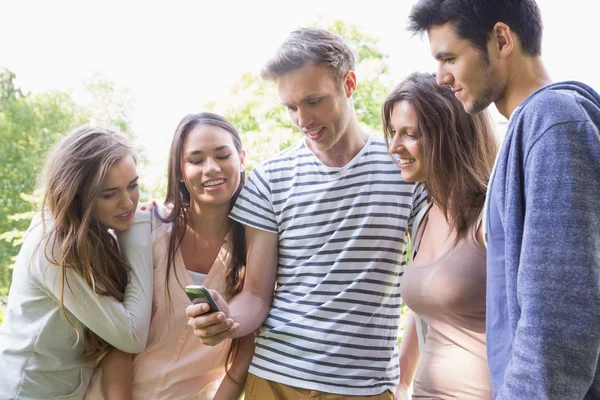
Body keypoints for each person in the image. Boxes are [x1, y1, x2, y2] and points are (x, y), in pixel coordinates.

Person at [186, 27, 427, 399]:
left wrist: (406, 379)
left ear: (349, 83)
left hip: (364, 388)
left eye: (314, 101)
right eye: (291, 107)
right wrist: (227, 321)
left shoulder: (406, 170)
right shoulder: (270, 179)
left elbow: (431, 283)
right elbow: (256, 295)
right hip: (274, 379)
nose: (303, 119)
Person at [408, 1, 600, 398]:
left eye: (450, 57)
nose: (441, 77)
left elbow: (560, 314)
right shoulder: (531, 128)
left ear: (500, 39)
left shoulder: (552, 122)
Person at [85, 112, 254, 400]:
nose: (211, 168)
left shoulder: (257, 248)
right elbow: (119, 343)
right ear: (178, 171)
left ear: (241, 158)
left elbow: (241, 361)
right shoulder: (145, 231)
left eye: (222, 155)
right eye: (196, 160)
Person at [0, 126, 152, 399]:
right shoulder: (51, 246)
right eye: (109, 194)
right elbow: (131, 336)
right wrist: (137, 235)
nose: (127, 202)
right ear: (78, 194)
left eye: (133, 186)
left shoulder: (96, 235)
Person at [383, 72, 497, 399]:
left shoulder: (492, 215)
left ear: (449, 136)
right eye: (392, 132)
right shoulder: (423, 216)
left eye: (410, 134)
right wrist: (403, 380)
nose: (394, 147)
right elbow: (429, 306)